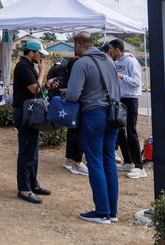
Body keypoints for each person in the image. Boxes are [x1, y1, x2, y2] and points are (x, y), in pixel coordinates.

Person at [65, 32, 120, 224]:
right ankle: (112, 211)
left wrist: (65, 92)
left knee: (94, 162)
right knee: (109, 162)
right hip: (114, 114)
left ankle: (101, 212)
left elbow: (72, 95)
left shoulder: (82, 63)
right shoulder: (109, 60)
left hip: (94, 115)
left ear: (78, 45)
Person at [12, 38, 50, 204]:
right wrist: (42, 72)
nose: (41, 57)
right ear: (32, 52)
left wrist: (46, 83)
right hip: (24, 112)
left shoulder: (28, 66)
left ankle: (32, 183)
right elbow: (35, 89)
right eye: (39, 53)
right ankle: (24, 188)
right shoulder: (23, 67)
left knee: (33, 149)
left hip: (30, 112)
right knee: (27, 150)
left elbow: (38, 87)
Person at [108, 39, 146, 179]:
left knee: (131, 131)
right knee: (119, 131)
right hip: (120, 99)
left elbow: (136, 82)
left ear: (118, 49)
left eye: (111, 49)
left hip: (131, 99)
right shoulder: (116, 63)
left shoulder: (131, 62)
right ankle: (128, 161)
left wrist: (122, 76)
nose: (109, 51)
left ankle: (139, 167)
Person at [47, 57, 88, 176]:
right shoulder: (77, 74)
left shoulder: (65, 72)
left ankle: (69, 160)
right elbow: (79, 91)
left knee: (71, 132)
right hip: (79, 106)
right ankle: (77, 163)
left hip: (70, 108)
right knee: (80, 134)